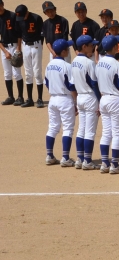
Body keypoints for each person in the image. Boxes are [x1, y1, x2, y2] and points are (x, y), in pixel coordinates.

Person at [95, 35, 119, 174]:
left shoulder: (98, 63)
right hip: (115, 100)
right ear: (115, 47)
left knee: (106, 132)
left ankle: (105, 163)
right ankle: (114, 165)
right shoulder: (117, 65)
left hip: (103, 99)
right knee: (117, 134)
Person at [44, 39, 78, 167]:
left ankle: (49, 156)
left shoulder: (49, 65)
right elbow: (71, 86)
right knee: (68, 128)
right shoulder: (67, 66)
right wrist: (75, 101)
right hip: (65, 99)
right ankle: (65, 158)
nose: (68, 50)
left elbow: (47, 83)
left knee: (53, 127)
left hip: (53, 99)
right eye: (67, 49)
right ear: (63, 51)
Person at [71, 35, 100, 170]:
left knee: (81, 129)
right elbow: (94, 83)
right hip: (90, 97)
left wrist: (75, 101)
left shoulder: (74, 61)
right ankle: (87, 161)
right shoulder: (89, 63)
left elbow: (71, 85)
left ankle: (80, 159)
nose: (93, 47)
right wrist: (100, 100)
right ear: (84, 46)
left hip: (80, 97)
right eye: (91, 45)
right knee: (90, 131)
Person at [15, 4, 45, 108]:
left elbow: (42, 34)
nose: (21, 18)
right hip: (26, 46)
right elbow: (19, 35)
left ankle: (40, 99)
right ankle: (30, 99)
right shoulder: (19, 19)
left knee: (37, 72)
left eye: (22, 16)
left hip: (36, 46)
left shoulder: (37, 18)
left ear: (27, 12)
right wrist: (19, 48)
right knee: (28, 73)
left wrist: (40, 46)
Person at [0, 0, 24, 106]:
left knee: (17, 73)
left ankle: (20, 97)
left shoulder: (12, 16)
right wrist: (5, 51)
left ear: (3, 4)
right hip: (4, 48)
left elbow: (19, 34)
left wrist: (18, 49)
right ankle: (10, 97)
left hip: (14, 46)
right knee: (7, 73)